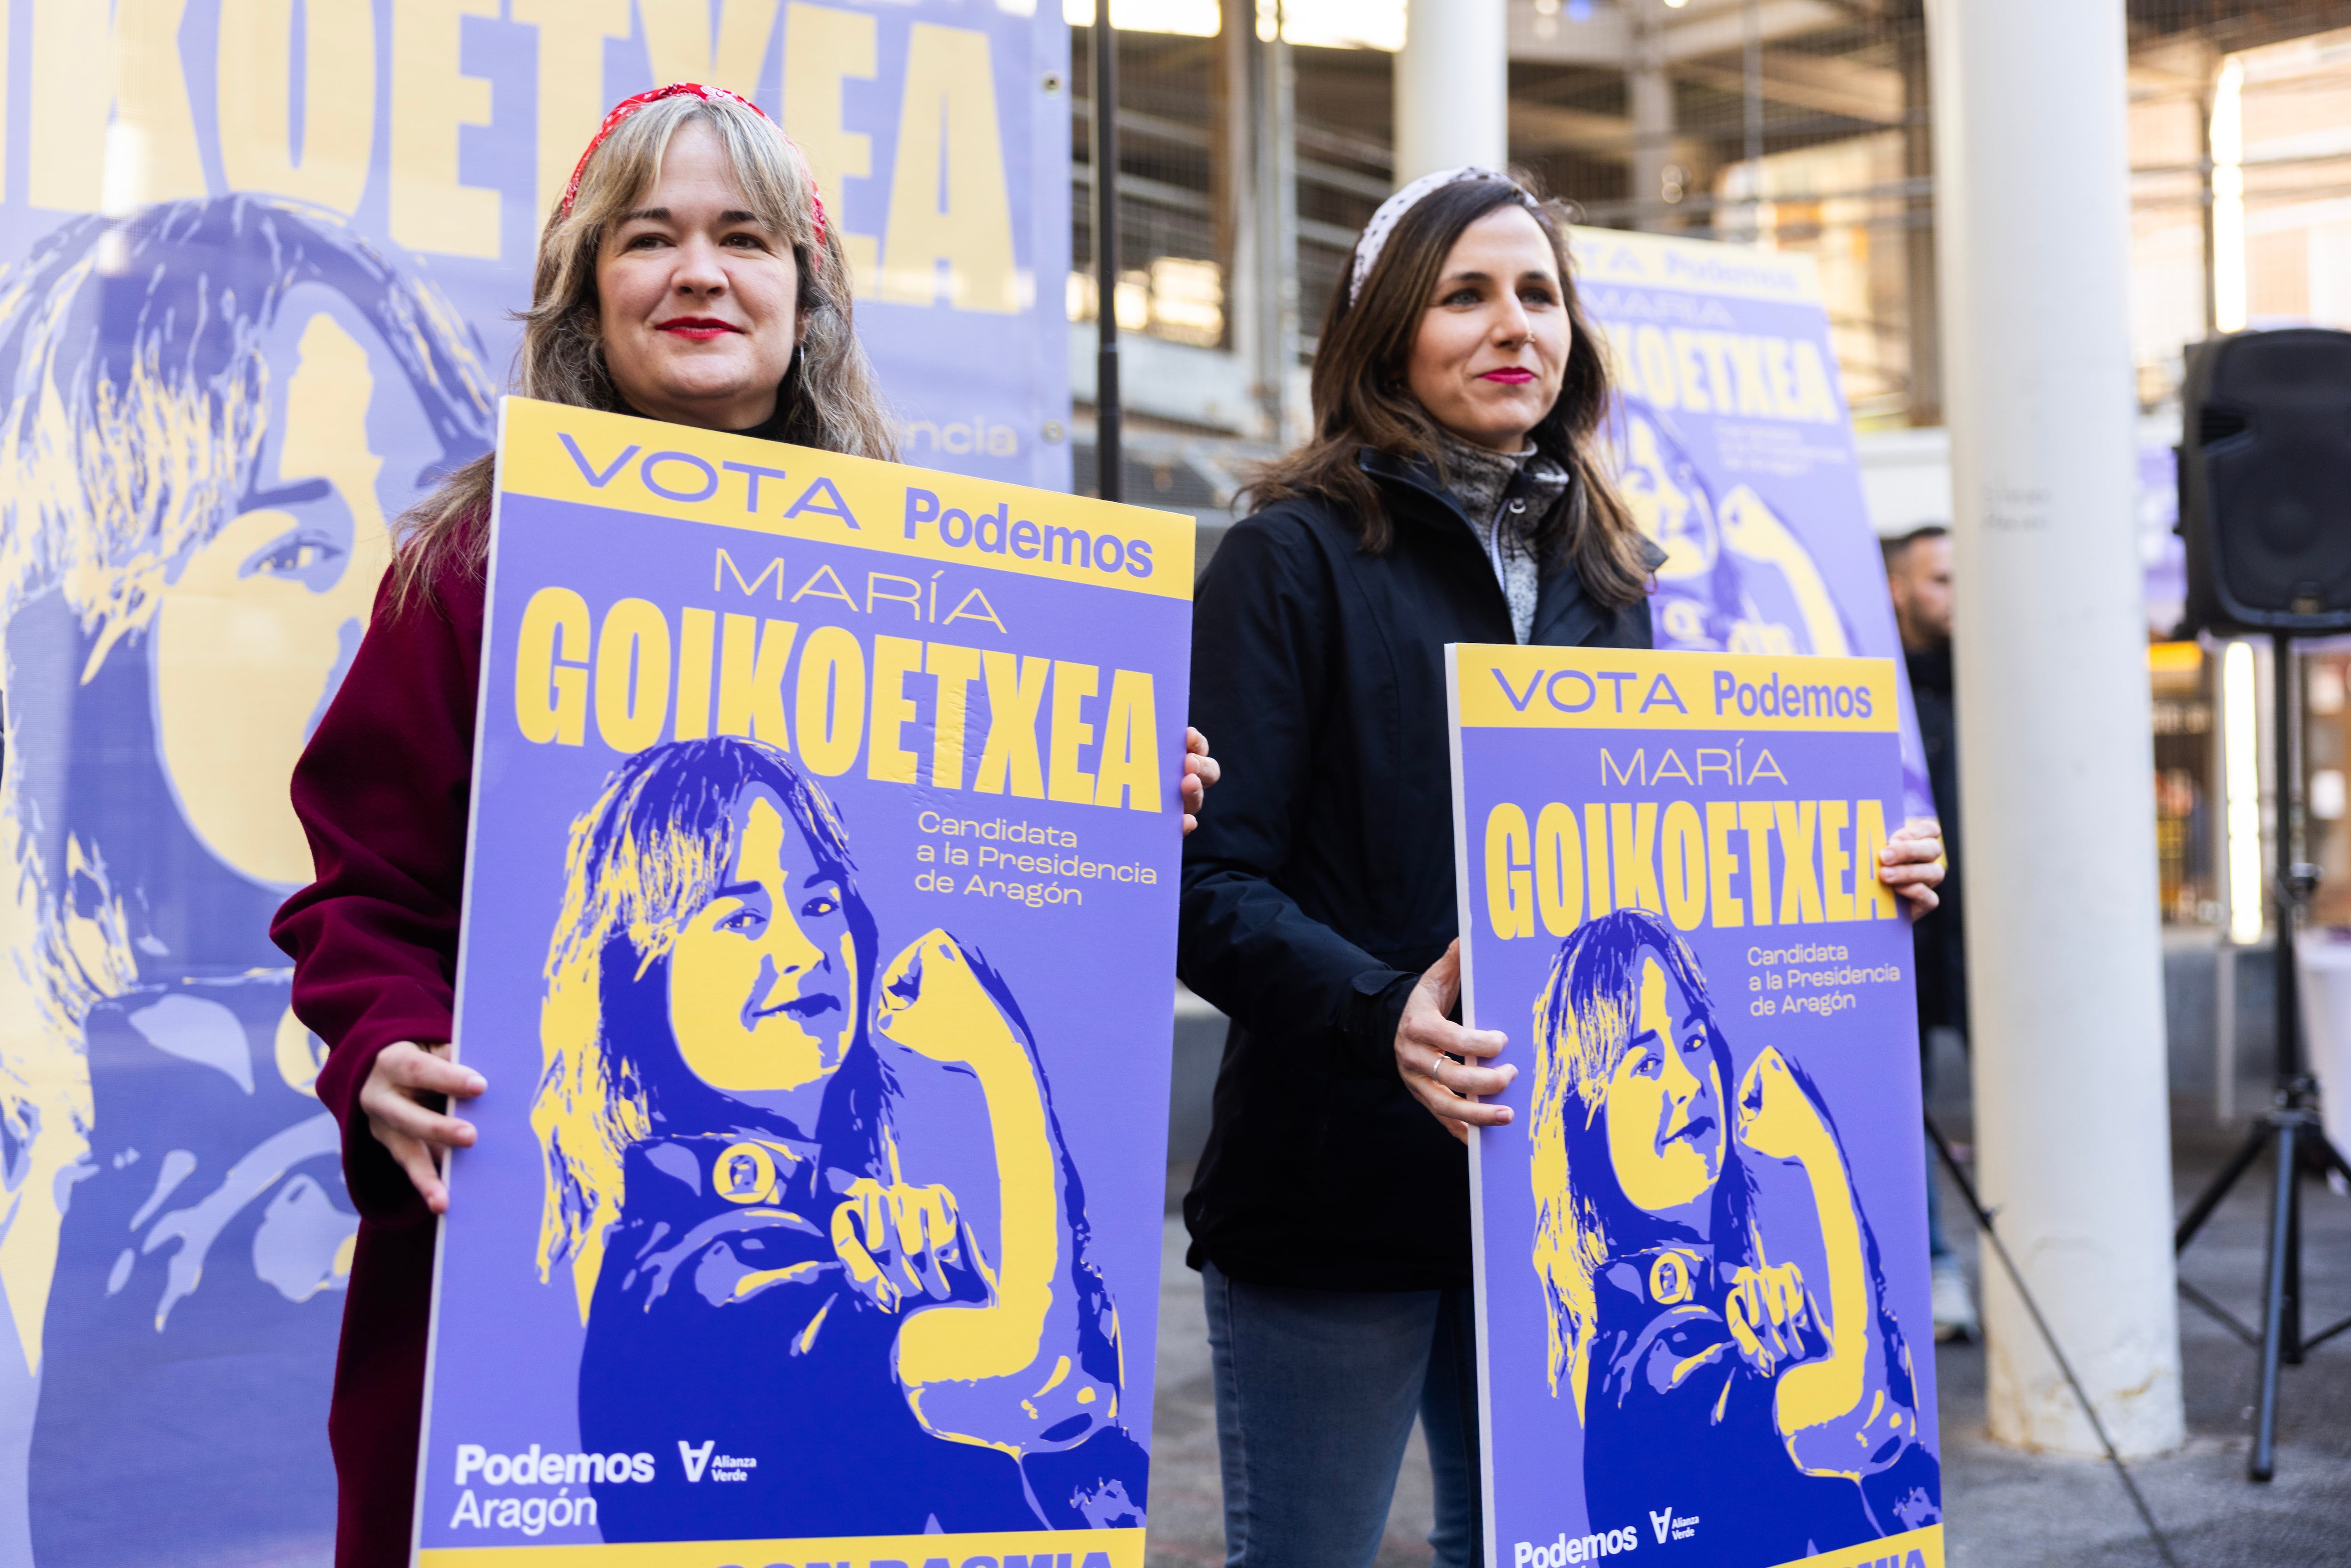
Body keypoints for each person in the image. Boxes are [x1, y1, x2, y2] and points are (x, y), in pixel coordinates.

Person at [268, 84, 1215, 1566]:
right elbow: (361, 890)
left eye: (746, 238)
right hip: (487, 1294)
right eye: (650, 237)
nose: (701, 271)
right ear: (587, 294)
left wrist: (1112, 801)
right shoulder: (472, 568)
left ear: (808, 297)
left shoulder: (940, 587)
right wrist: (381, 1038)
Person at [1177, 164, 1944, 1568]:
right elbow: (1205, 887)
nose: (1511, 323)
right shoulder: (1281, 560)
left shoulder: (1610, 576)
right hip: (1337, 1187)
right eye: (1464, 294)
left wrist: (1850, 880)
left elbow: (1649, 876)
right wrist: (1377, 1009)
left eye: (1538, 293)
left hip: (1562, 1210)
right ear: (1387, 333)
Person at [0, 195, 495, 1558]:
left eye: (393, 527)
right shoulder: (71, 1168)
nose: (366, 603)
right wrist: (387, 1043)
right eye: (290, 550)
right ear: (110, 611)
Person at [536, 736, 1145, 1535]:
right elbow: (1041, 1384)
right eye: (741, 917)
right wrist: (1005, 1064)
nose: (801, 949)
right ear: (641, 971)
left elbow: (1087, 1440)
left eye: (819, 905)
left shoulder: (852, 1223)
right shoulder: (696, 1268)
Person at [1530, 910, 1939, 1562]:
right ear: (1589, 1122)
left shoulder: (1731, 1299)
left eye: (1693, 1043)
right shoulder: (1648, 1363)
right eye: (1643, 1064)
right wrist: (1821, 1157)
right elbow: (1859, 1422)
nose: (1687, 1084)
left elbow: (1895, 1442)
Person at [1882, 523, 1975, 1341]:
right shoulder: (1872, 689)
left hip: (1986, 940)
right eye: (1941, 580)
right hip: (1904, 930)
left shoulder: (1994, 684)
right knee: (1904, 1107)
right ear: (1900, 591)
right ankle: (1938, 1269)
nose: (1959, 598)